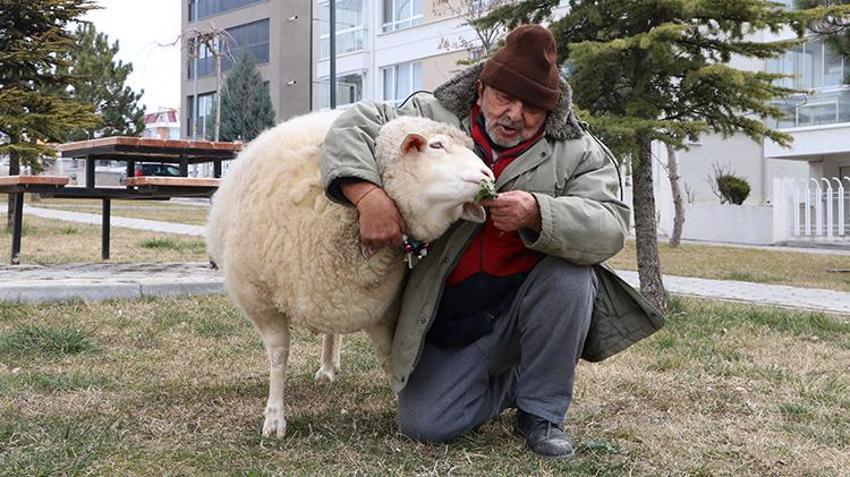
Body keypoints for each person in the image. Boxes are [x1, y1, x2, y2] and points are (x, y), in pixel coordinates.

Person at [320, 24, 662, 459]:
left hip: (527, 303)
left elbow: (610, 224)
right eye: (504, 97)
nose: (514, 114)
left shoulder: (578, 151)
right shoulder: (433, 115)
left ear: (550, 110)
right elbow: (354, 125)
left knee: (570, 276)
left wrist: (540, 212)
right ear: (480, 89)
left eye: (532, 106)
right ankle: (516, 380)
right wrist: (368, 196)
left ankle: (541, 413)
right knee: (425, 424)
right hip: (450, 316)